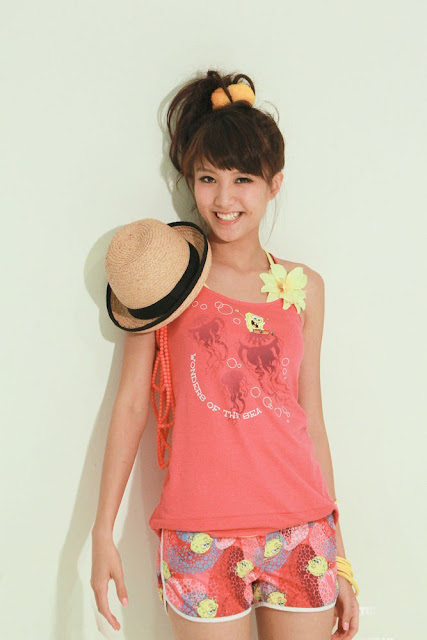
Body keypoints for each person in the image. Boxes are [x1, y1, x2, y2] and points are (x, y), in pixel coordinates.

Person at [91, 69, 360, 640]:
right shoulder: (165, 279)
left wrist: (340, 556)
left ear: (274, 184)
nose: (224, 198)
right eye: (208, 178)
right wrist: (101, 531)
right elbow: (132, 404)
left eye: (243, 180)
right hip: (200, 536)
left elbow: (311, 417)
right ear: (191, 181)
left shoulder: (304, 287)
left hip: (301, 529)